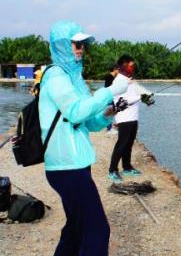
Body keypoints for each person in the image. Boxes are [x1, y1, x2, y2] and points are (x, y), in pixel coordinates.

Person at [39, 20, 129, 255]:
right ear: (61, 45)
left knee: (76, 227)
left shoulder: (74, 78)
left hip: (78, 163)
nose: (81, 48)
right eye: (76, 43)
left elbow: (87, 122)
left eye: (83, 44)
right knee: (98, 230)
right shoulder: (56, 76)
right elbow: (74, 111)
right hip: (65, 166)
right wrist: (110, 90)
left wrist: (107, 114)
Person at [108, 54, 154, 182]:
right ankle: (112, 170)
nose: (132, 67)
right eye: (131, 65)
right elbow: (123, 100)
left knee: (129, 144)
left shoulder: (130, 80)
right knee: (121, 144)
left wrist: (147, 97)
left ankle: (127, 167)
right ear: (124, 65)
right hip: (124, 118)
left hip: (133, 117)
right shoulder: (119, 81)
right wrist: (141, 97)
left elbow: (137, 93)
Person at [104, 64, 119, 132]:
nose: (119, 71)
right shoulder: (109, 76)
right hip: (109, 96)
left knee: (114, 110)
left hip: (112, 96)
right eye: (118, 69)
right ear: (114, 69)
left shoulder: (114, 77)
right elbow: (108, 87)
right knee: (110, 111)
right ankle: (109, 128)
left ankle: (112, 126)